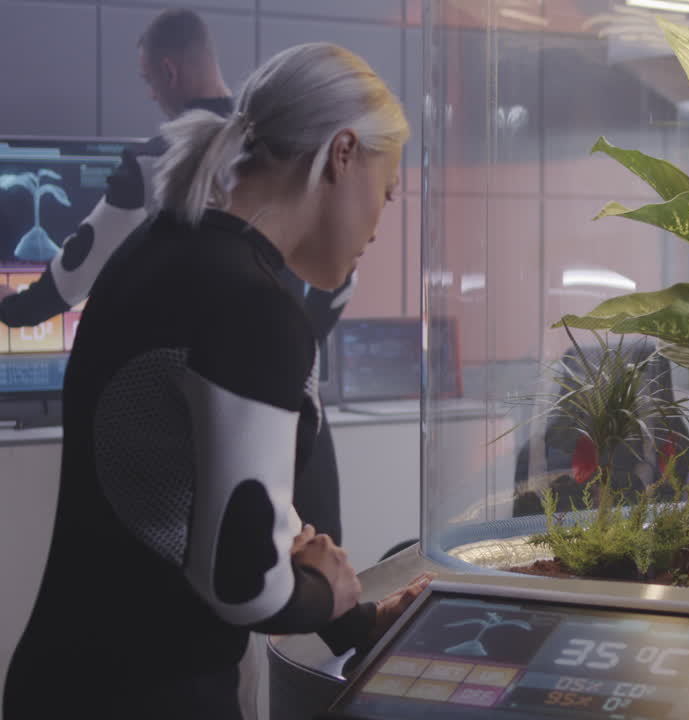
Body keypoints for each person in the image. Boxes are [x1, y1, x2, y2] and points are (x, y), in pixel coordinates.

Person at [3, 42, 427, 719]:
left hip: (59, 682)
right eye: (389, 184)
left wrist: (355, 622)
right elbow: (241, 582)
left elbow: (215, 500)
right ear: (342, 154)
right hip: (153, 697)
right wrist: (327, 590)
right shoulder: (254, 307)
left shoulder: (159, 251)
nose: (386, 213)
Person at [0, 8, 351, 543]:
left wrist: (10, 311)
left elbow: (71, 278)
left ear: (169, 72)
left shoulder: (155, 164)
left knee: (228, 588)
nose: (149, 94)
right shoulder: (291, 153)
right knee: (321, 588)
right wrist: (294, 348)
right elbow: (338, 278)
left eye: (147, 79)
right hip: (304, 424)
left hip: (212, 433)